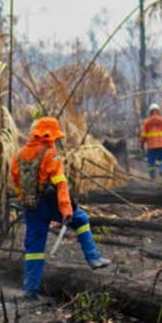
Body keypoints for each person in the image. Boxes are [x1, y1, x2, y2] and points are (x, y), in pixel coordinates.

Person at [11, 117, 111, 299]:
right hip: (50, 202)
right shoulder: (51, 155)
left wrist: (25, 199)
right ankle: (93, 258)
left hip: (31, 206)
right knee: (80, 219)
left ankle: (30, 291)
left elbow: (17, 183)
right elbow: (60, 184)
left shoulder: (19, 155)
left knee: (34, 248)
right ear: (50, 136)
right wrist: (66, 210)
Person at [139, 102, 162, 180]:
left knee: (151, 162)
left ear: (150, 111)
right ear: (158, 111)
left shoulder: (147, 122)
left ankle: (152, 177)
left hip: (151, 146)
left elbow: (143, 135)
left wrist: (141, 144)